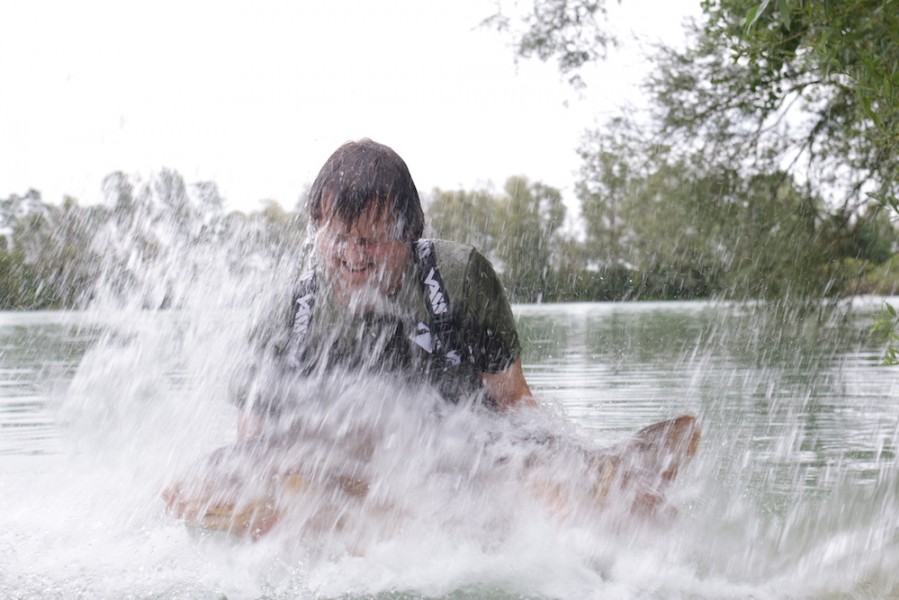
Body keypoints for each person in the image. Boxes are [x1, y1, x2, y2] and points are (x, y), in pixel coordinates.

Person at [233, 138, 536, 439]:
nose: (354, 257)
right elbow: (252, 454)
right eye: (339, 238)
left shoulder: (460, 281)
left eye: (372, 241)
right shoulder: (286, 316)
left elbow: (516, 408)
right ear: (317, 232)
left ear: (410, 234)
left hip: (458, 461)